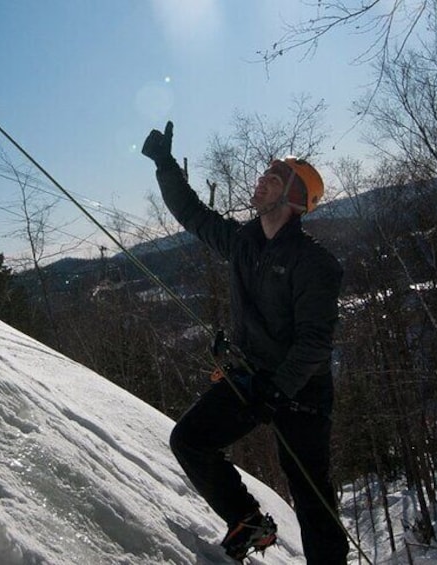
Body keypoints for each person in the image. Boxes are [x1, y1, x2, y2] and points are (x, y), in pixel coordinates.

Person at [142, 121, 349, 563]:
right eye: (264, 175)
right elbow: (193, 215)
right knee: (190, 440)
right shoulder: (243, 244)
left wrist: (279, 391)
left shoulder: (315, 263)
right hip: (254, 379)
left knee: (310, 492)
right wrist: (164, 166)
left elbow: (315, 342)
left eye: (272, 179)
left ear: (293, 199)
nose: (260, 181)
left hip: (301, 392)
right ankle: (247, 518)